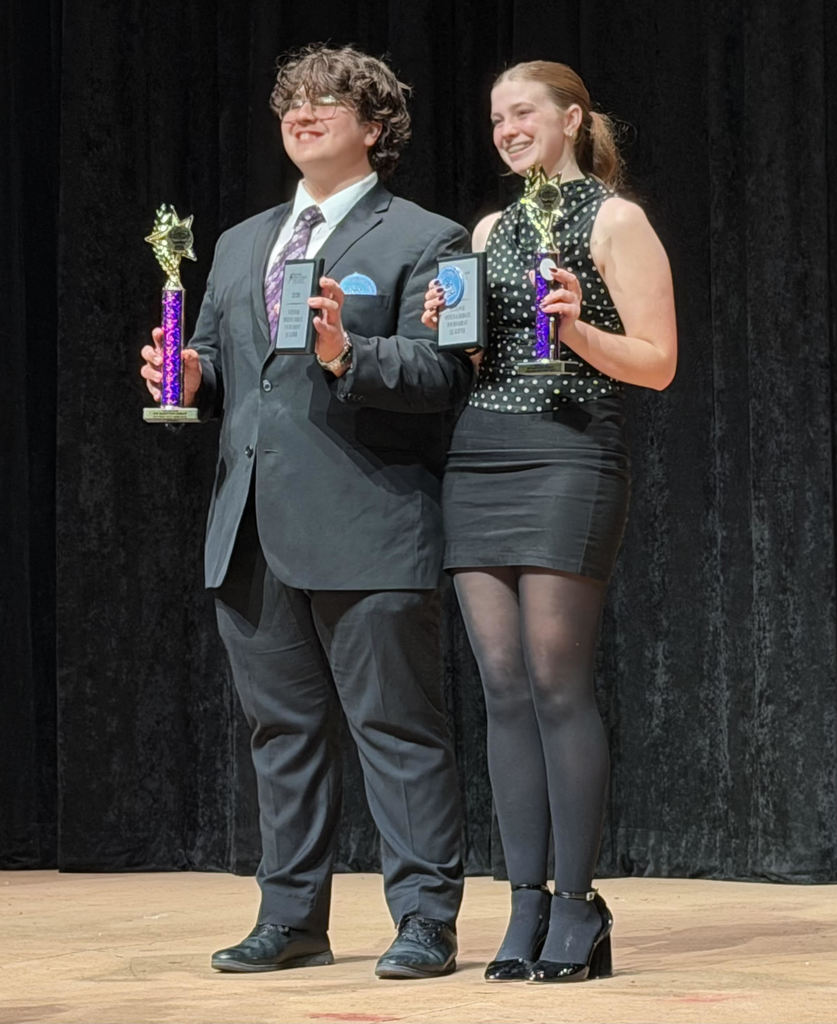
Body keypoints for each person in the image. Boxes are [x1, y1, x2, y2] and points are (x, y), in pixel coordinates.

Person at [141, 44, 474, 979]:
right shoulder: (245, 242)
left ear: (375, 128)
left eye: (329, 101)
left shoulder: (426, 238)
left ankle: (423, 919)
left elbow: (444, 370)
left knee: (398, 731)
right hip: (249, 528)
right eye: (292, 99)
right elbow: (213, 361)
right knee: (279, 733)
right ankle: (292, 917)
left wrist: (346, 356)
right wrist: (190, 377)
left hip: (368, 523)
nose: (304, 112)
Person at [423, 60, 677, 983]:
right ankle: (523, 901)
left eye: (522, 111)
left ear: (570, 119)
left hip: (571, 453)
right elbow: (481, 360)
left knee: (556, 680)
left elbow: (657, 364)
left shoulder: (617, 220)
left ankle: (578, 902)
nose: (507, 128)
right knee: (501, 687)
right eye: (495, 117)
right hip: (482, 451)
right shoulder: (489, 230)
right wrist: (453, 323)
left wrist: (574, 331)